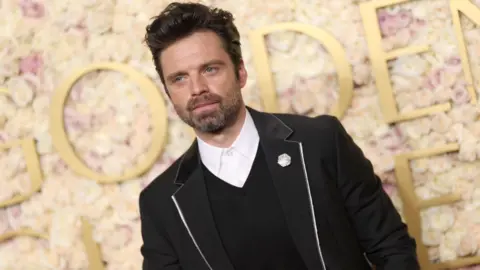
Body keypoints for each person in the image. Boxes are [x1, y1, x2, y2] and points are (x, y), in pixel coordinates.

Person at [139, 2, 420, 270]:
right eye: (179, 78)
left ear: (240, 73)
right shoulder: (161, 203)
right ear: (168, 91)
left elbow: (391, 248)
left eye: (210, 69)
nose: (197, 88)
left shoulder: (320, 143)